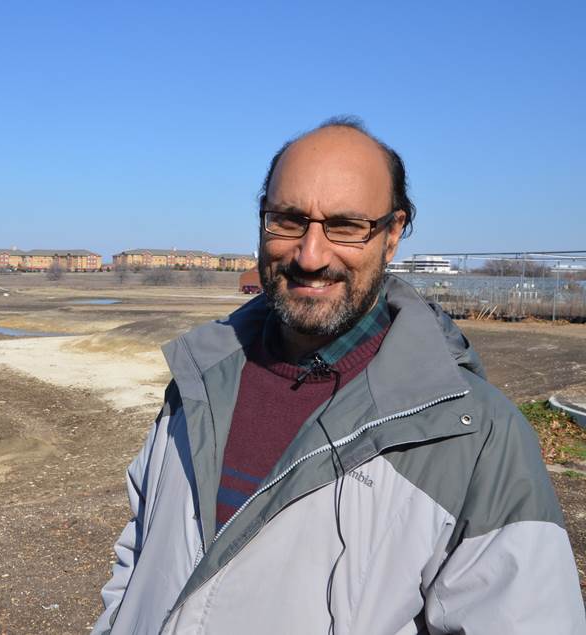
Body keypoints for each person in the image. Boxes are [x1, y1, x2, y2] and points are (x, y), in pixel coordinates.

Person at [93, 118, 586, 634]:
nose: (310, 255)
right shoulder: (198, 383)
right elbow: (140, 555)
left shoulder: (478, 437)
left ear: (392, 235)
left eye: (346, 226)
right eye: (288, 220)